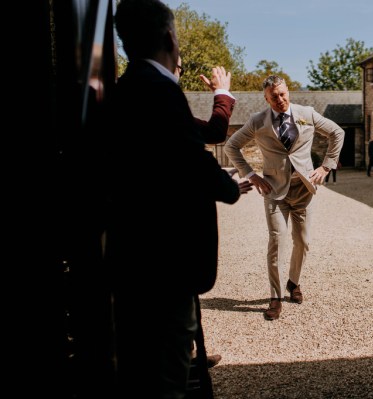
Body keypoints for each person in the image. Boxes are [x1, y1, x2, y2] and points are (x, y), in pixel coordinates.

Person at [107, 0, 251, 397]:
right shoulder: (158, 91)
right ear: (170, 38)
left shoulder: (129, 87)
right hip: (163, 262)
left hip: (135, 256)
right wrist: (226, 187)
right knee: (163, 378)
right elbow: (193, 159)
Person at [224, 75, 344, 321]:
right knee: (276, 242)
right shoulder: (258, 121)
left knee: (303, 241)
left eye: (282, 94)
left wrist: (325, 167)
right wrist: (250, 175)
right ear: (266, 99)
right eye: (274, 97)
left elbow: (337, 132)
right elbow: (231, 146)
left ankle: (294, 283)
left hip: (303, 191)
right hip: (274, 192)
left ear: (287, 91)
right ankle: (275, 297)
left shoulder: (307, 113)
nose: (280, 100)